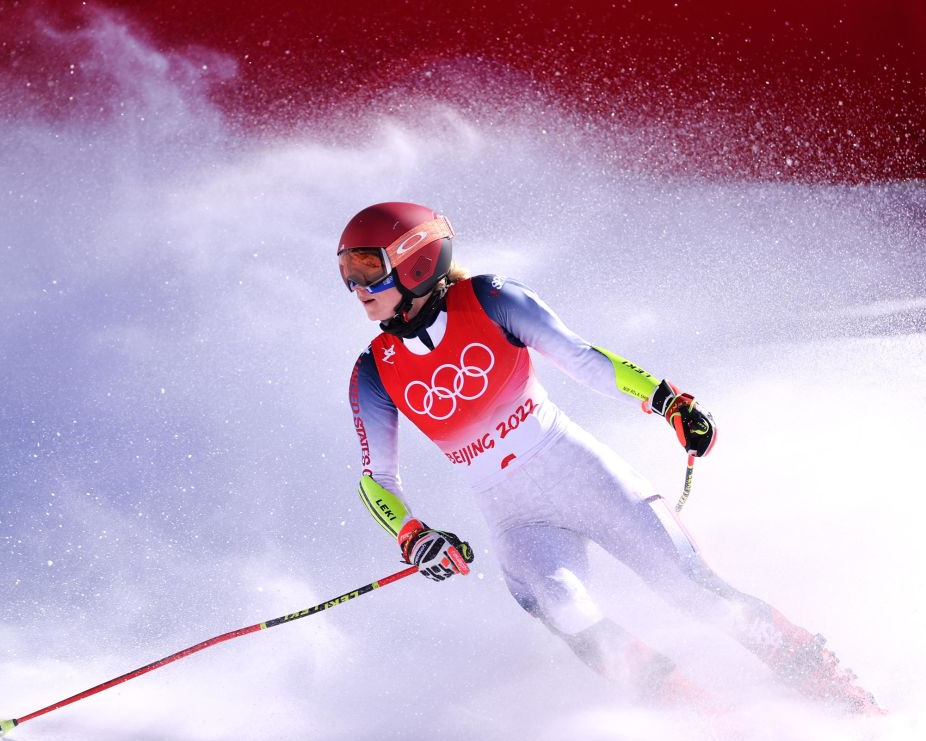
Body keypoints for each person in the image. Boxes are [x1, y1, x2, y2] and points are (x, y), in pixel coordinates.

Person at [339, 201, 883, 715]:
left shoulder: (489, 298)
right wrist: (413, 535)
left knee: (694, 592)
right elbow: (376, 478)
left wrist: (668, 401)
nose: (356, 286)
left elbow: (581, 358)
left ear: (415, 261)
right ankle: (706, 719)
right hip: (515, 518)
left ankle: (833, 689)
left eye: (367, 266)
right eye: (346, 272)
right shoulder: (373, 371)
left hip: (580, 474)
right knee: (569, 613)